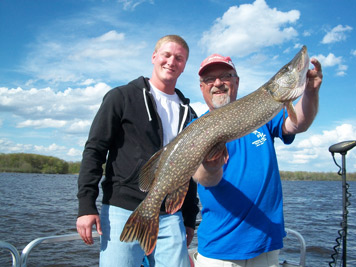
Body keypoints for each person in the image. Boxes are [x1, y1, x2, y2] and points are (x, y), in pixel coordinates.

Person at [76, 35, 199, 267]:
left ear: (184, 66)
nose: (172, 61)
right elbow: (94, 151)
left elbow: (188, 169)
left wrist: (189, 218)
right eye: (167, 55)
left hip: (171, 215)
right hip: (122, 209)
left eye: (179, 58)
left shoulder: (189, 112)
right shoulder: (121, 97)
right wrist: (86, 205)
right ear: (154, 57)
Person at [192, 53, 322, 266]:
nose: (217, 83)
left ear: (237, 81)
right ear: (202, 87)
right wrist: (211, 166)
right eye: (209, 79)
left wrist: (310, 92)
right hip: (219, 251)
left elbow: (298, 123)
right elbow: (203, 178)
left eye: (225, 76)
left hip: (266, 246)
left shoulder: (267, 112)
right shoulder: (196, 128)